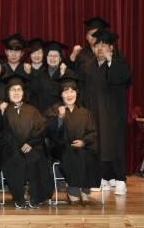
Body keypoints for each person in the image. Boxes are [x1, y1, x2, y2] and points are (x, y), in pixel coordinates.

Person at [78, 29, 132, 195]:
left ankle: (120, 180)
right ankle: (104, 178)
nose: (100, 49)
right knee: (98, 145)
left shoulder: (119, 63)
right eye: (96, 46)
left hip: (114, 115)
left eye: (103, 45)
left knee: (114, 145)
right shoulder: (90, 67)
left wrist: (110, 61)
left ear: (111, 48)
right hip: (95, 113)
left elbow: (123, 79)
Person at [0, 73, 53, 209]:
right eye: (12, 90)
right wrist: (1, 114)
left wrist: (31, 143)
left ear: (23, 92)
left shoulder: (32, 110)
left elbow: (42, 128)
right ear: (7, 93)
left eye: (19, 89)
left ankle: (36, 197)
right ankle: (19, 197)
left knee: (36, 160)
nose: (16, 92)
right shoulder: (3, 109)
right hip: (10, 149)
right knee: (16, 161)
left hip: (32, 146)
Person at [45, 72, 101, 205]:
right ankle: (73, 191)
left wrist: (84, 142)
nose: (69, 95)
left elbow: (92, 132)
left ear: (77, 93)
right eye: (66, 91)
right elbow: (49, 132)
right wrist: (60, 118)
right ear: (61, 94)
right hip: (60, 147)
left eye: (72, 91)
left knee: (89, 153)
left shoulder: (85, 112)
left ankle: (85, 190)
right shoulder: (54, 110)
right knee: (71, 153)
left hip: (82, 146)